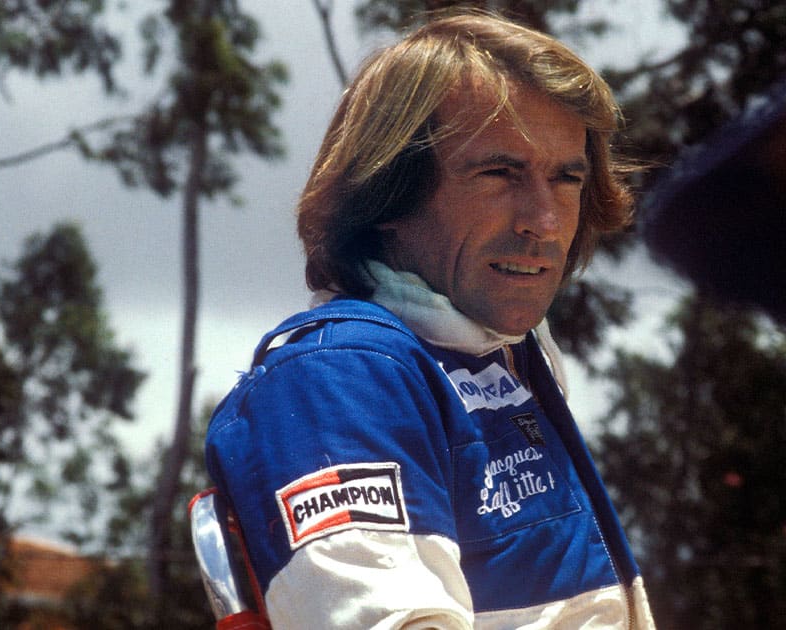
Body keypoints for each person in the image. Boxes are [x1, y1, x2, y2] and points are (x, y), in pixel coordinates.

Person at [204, 11, 655, 629]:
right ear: (387, 194)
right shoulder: (339, 378)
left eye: (566, 178)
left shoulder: (509, 361)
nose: (545, 221)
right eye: (500, 173)